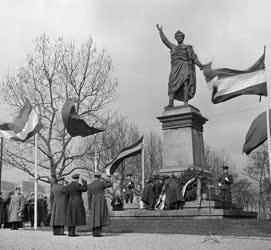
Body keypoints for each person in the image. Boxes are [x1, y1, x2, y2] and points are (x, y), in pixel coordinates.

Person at [156, 24, 204, 107]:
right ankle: (171, 103)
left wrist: (199, 65)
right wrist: (160, 31)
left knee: (185, 83)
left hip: (185, 66)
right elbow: (165, 41)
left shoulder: (187, 48)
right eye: (177, 37)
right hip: (175, 69)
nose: (178, 38)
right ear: (175, 38)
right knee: (171, 84)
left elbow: (193, 57)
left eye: (180, 36)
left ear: (182, 38)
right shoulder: (173, 47)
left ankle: (185, 103)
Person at [88, 171, 112, 237]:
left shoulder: (90, 185)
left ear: (94, 177)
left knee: (94, 217)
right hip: (101, 201)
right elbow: (110, 184)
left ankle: (94, 232)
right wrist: (105, 179)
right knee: (100, 216)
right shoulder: (101, 183)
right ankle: (98, 232)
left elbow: (89, 197)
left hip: (93, 201)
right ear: (99, 177)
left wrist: (89, 206)